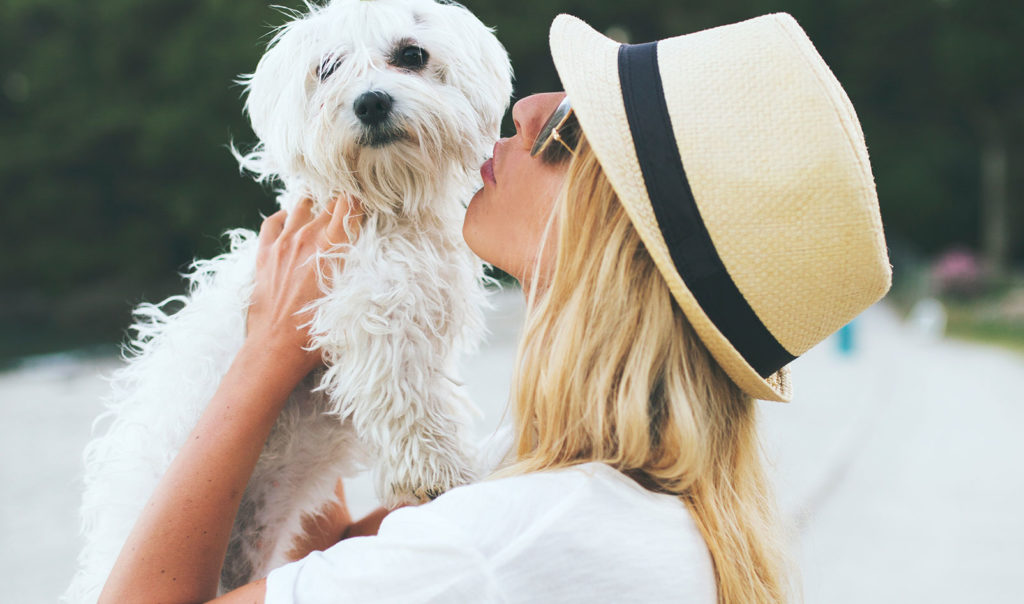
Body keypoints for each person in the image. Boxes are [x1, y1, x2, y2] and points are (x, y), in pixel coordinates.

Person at [98, 12, 890, 604]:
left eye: (574, 125)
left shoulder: (519, 539)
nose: (526, 107)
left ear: (627, 237)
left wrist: (267, 354)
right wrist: (321, 358)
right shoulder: (590, 485)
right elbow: (329, 556)